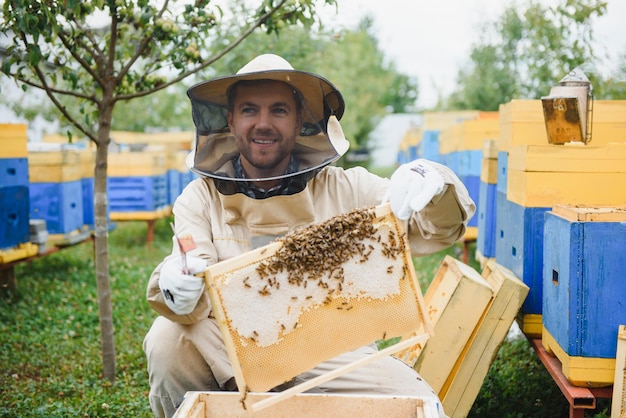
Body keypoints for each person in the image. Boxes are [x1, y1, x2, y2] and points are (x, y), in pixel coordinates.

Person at [143, 53, 475, 418]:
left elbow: (434, 227)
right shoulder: (201, 198)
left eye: (279, 110)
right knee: (167, 338)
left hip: (333, 352)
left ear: (300, 119)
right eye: (250, 110)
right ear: (230, 120)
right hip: (235, 348)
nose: (263, 124)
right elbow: (191, 267)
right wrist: (176, 279)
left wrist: (433, 182)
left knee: (416, 406)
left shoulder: (347, 188)